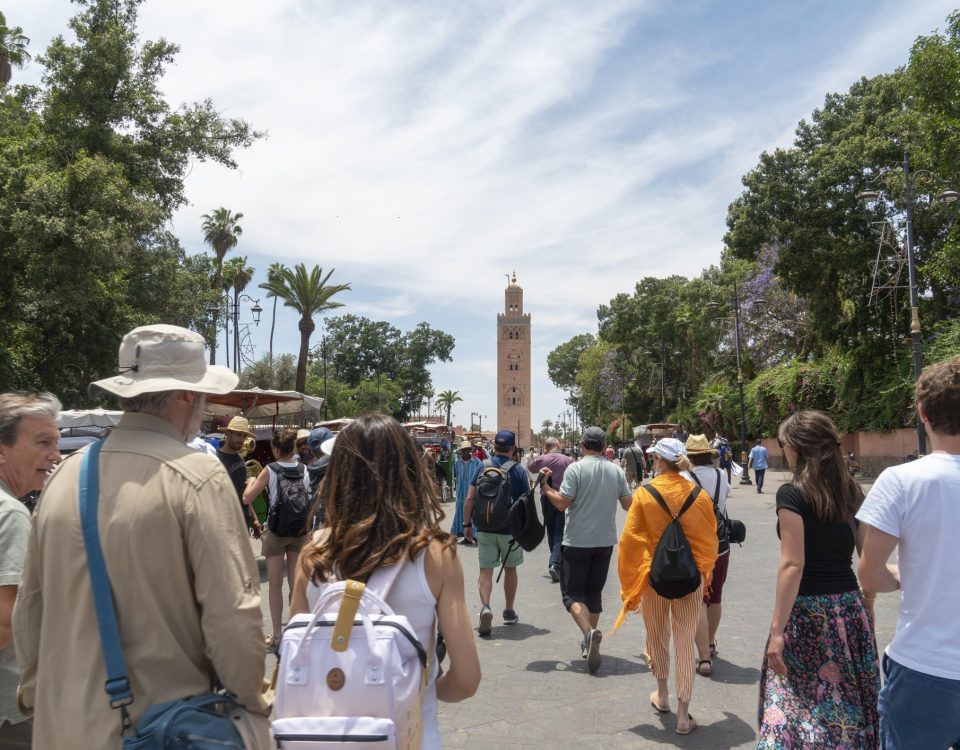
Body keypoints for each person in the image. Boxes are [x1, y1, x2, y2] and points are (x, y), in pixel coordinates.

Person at [13, 324, 270, 749]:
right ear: (187, 396)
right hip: (161, 729)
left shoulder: (66, 476)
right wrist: (256, 705)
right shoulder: (198, 477)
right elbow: (233, 622)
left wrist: (45, 698)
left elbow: (30, 609)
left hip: (62, 728)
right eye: (203, 395)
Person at [290, 413, 481, 748]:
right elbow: (466, 680)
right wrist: (413, 693)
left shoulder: (312, 555)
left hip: (325, 732)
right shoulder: (435, 555)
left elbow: (297, 651)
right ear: (409, 472)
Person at [757, 409, 879, 749]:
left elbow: (793, 564)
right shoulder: (852, 491)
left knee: (799, 707)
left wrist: (777, 632)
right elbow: (866, 560)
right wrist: (867, 607)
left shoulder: (792, 494)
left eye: (784, 444)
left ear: (798, 447)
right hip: (848, 612)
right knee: (847, 706)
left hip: (807, 615)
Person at [857, 356, 960, 750]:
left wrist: (903, 575)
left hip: (925, 667)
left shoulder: (902, 481)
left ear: (922, 413)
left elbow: (870, 575)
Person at [616, 438, 717, 736]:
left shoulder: (645, 494)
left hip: (653, 580)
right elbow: (709, 540)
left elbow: (630, 540)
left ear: (659, 461)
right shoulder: (699, 495)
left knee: (657, 636)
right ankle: (684, 716)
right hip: (690, 580)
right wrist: (702, 573)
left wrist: (632, 583)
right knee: (685, 642)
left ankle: (662, 696)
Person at [539, 426, 632, 673]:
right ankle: (589, 641)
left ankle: (589, 633)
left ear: (581, 445)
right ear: (604, 447)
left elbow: (561, 503)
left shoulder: (576, 469)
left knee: (571, 596)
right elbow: (627, 504)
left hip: (577, 541)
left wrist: (546, 488)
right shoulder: (615, 470)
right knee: (594, 594)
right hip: (604, 542)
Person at [0, 393, 60, 749]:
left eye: (55, 441)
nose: (55, 454)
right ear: (2, 449)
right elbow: (5, 626)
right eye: (42, 442)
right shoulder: (10, 515)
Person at [243, 427, 312, 647]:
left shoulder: (270, 469)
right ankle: (294, 630)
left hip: (275, 531)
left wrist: (250, 482)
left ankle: (277, 635)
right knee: (295, 583)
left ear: (274, 448)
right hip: (299, 532)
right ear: (292, 448)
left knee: (274, 585)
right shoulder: (304, 469)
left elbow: (247, 498)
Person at [463, 429, 529, 634]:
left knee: (485, 570)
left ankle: (485, 606)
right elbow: (525, 502)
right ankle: (509, 611)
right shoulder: (518, 470)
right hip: (510, 530)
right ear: (512, 448)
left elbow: (470, 498)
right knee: (510, 569)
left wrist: (467, 525)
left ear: (495, 447)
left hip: (484, 527)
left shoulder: (482, 466)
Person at [684, 434, 731, 678]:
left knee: (698, 599)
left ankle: (703, 655)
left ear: (689, 456)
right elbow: (723, 504)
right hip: (720, 543)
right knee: (716, 597)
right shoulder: (721, 476)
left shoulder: (684, 477)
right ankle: (711, 642)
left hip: (692, 545)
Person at [526, 437, 574, 582]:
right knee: (560, 531)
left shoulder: (542, 459)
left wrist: (542, 456)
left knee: (551, 529)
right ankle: (555, 563)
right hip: (561, 497)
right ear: (558, 445)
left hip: (546, 498)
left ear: (546, 448)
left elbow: (530, 467)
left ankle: (555, 562)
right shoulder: (568, 460)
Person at [218, 415, 257, 528]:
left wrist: (254, 518)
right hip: (226, 521)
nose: (241, 439)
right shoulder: (216, 458)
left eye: (244, 436)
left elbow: (243, 492)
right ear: (228, 433)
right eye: (238, 434)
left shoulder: (240, 458)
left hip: (243, 520)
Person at [451, 440, 482, 543]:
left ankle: (475, 535)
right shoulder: (457, 462)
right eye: (464, 450)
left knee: (473, 511)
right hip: (460, 491)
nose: (466, 452)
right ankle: (464, 535)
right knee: (460, 510)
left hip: (472, 491)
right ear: (461, 451)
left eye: (467, 450)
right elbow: (456, 476)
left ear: (470, 450)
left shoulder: (477, 462)